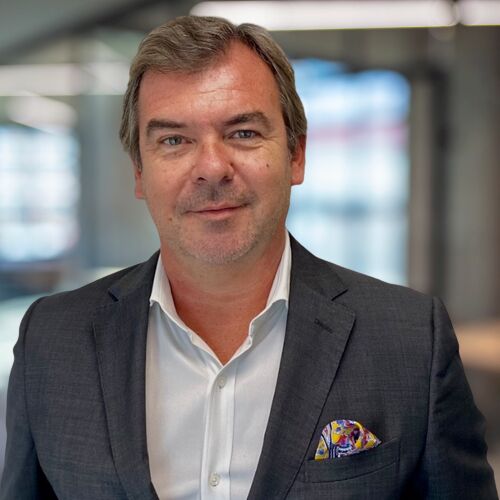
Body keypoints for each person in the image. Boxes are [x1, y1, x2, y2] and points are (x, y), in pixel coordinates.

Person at [0, 15, 497, 500]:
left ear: (296, 154)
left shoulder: (409, 341)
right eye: (173, 140)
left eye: (243, 133)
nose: (212, 167)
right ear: (139, 172)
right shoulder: (53, 341)